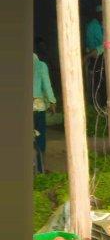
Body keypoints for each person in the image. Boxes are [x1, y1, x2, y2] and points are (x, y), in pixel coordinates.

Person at [33, 44, 56, 173]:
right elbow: (47, 85)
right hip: (37, 107)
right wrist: (52, 101)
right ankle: (40, 170)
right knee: (39, 138)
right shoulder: (41, 65)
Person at [84, 4, 106, 105]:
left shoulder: (99, 25)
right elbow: (102, 43)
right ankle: (97, 105)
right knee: (98, 83)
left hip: (99, 56)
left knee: (100, 83)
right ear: (99, 14)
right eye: (102, 14)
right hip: (96, 57)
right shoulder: (94, 26)